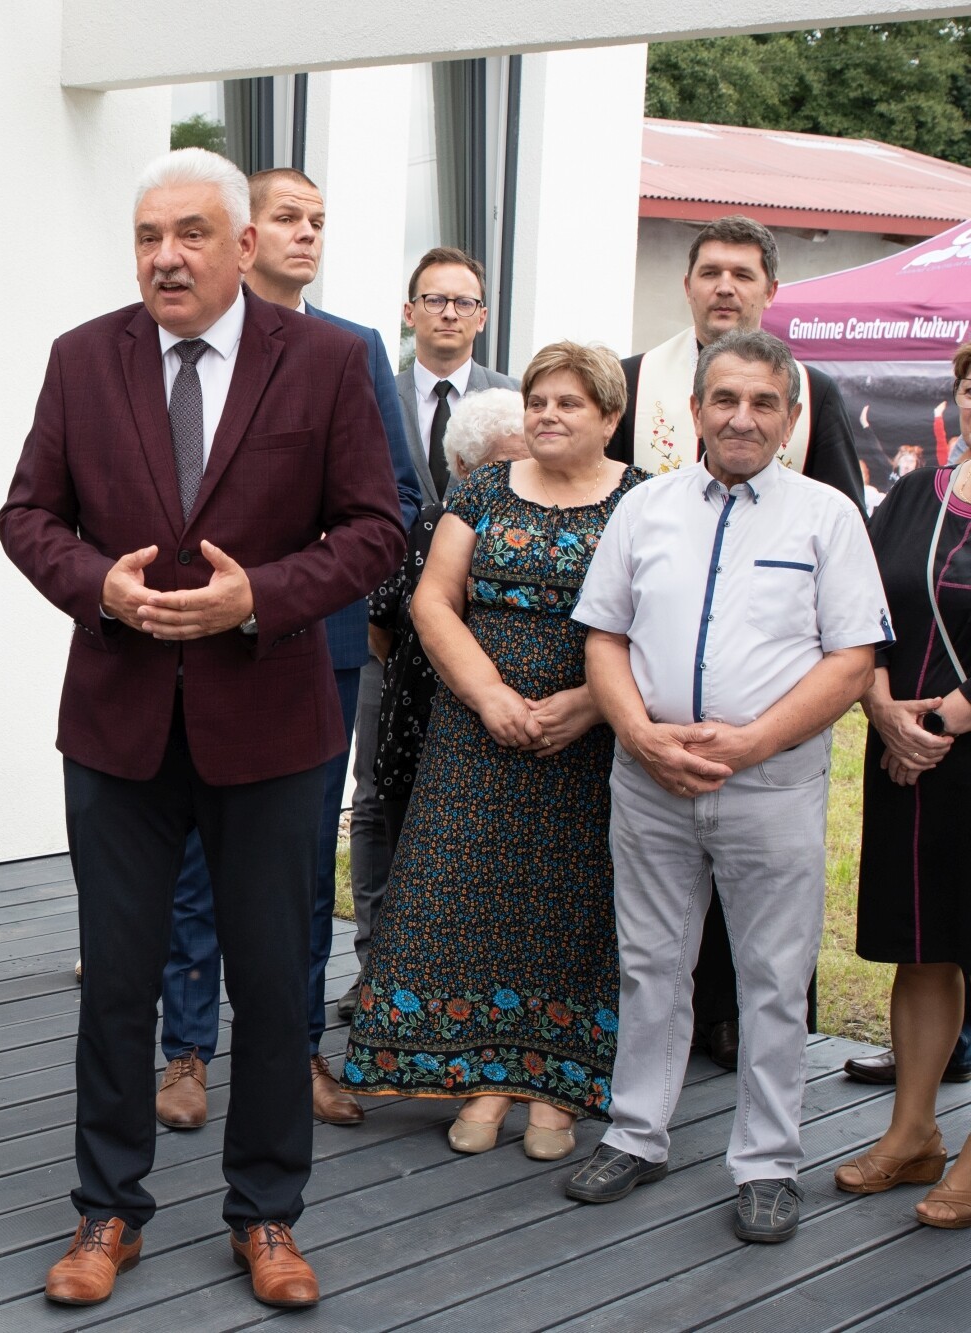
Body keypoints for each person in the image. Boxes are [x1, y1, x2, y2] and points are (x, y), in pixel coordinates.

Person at [0, 147, 404, 1310]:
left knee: (272, 984)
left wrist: (258, 597)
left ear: (242, 245)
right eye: (146, 236)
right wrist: (97, 585)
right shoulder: (83, 358)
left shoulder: (326, 361)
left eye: (188, 234)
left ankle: (265, 1215)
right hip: (117, 724)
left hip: (270, 722)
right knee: (115, 984)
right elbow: (26, 516)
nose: (164, 257)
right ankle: (105, 1209)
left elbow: (375, 528)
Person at [566, 329, 889, 1244]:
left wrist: (749, 743)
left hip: (772, 784)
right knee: (649, 964)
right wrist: (640, 735)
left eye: (762, 402)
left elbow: (852, 658)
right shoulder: (645, 508)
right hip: (650, 778)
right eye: (725, 399)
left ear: (790, 418)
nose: (742, 417)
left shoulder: (828, 517)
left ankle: (768, 1162)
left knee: (774, 978)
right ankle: (636, 1133)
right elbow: (604, 637)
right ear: (696, 410)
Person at [150, 166, 420, 1136]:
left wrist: (276, 590)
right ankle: (185, 1050)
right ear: (244, 236)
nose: (307, 234)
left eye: (318, 221)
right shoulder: (171, 347)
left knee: (302, 862)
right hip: (184, 642)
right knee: (190, 853)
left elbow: (392, 500)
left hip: (316, 646)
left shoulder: (349, 350)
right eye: (287, 218)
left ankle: (297, 1049)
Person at [344, 344, 641, 1160]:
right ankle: (482, 1077)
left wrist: (590, 704)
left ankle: (555, 1088)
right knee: (466, 895)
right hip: (476, 734)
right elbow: (433, 602)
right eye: (538, 400)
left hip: (588, 740)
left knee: (569, 904)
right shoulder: (481, 489)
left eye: (569, 403)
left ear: (610, 417)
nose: (547, 414)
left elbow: (662, 617)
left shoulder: (645, 500)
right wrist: (489, 696)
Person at [610, 214, 867, 1071]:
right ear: (687, 284)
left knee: (767, 934)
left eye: (744, 273)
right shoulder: (636, 379)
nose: (725, 286)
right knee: (652, 922)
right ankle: (646, 1068)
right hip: (647, 709)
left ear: (770, 290)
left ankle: (730, 1028)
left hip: (770, 727)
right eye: (711, 270)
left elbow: (844, 552)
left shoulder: (812, 394)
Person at [341, 249, 521, 1017]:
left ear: (482, 316)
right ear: (408, 311)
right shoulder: (366, 390)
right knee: (377, 793)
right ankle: (375, 964)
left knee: (467, 800)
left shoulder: (517, 401)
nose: (449, 313)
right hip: (379, 631)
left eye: (464, 301)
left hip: (483, 639)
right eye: (434, 299)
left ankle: (455, 968)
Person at [836, 450, 971, 1228]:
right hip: (905, 754)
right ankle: (913, 1131)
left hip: (941, 740)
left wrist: (941, 720)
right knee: (924, 944)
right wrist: (883, 708)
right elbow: (863, 605)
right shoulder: (919, 491)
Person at [367, 388, 529, 864]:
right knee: (414, 866)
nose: (516, 478)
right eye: (501, 465)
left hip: (515, 728)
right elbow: (380, 625)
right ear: (462, 466)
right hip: (420, 726)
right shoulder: (424, 526)